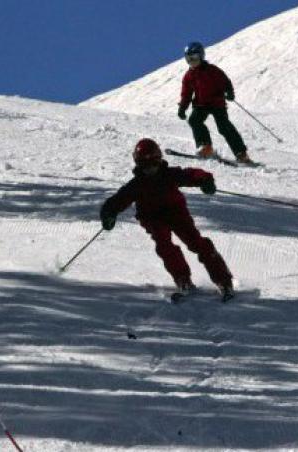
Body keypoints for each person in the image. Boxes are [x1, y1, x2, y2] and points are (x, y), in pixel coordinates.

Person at [100, 138, 234, 301]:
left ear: (159, 160)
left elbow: (190, 174)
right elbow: (119, 200)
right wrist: (109, 213)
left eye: (154, 164)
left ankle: (223, 280)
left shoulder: (169, 175)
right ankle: (183, 280)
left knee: (196, 242)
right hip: (152, 218)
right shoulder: (136, 185)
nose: (150, 169)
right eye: (145, 166)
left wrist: (205, 180)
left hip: (176, 213)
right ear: (138, 165)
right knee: (165, 246)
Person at [177, 41, 254, 164]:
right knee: (194, 120)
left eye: (194, 58)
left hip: (216, 102)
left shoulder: (212, 70)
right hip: (201, 104)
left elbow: (226, 82)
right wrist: (182, 108)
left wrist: (229, 92)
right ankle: (205, 147)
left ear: (201, 56)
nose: (192, 61)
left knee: (223, 127)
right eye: (188, 59)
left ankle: (241, 153)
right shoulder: (188, 76)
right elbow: (186, 94)